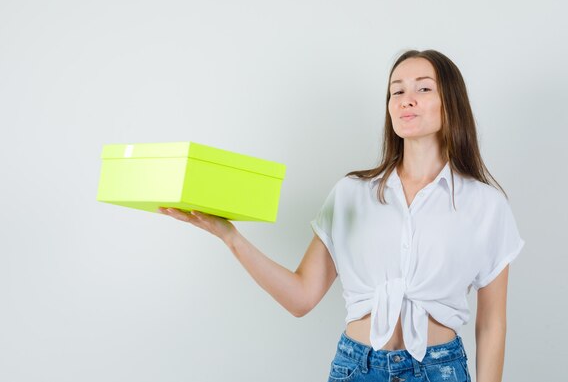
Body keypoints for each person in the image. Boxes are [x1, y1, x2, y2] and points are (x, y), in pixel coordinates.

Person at [159, 49, 525, 382]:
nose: (406, 99)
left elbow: (492, 323)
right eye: (396, 91)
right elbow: (301, 297)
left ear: (451, 103)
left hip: (439, 370)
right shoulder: (351, 193)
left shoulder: (485, 205)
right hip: (357, 369)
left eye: (423, 89)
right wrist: (230, 237)